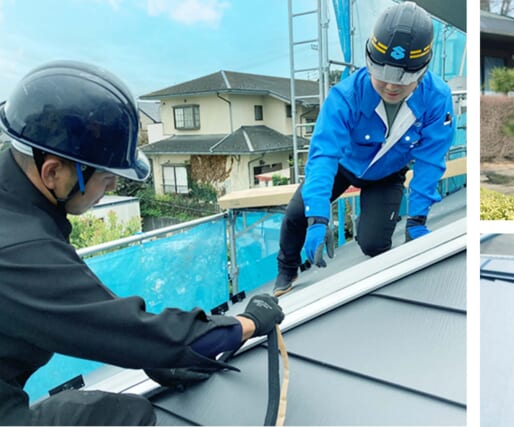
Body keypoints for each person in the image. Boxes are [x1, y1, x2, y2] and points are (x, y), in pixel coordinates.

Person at [0, 60, 284, 425]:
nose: (113, 188)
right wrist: (246, 323)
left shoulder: (17, 208)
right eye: (105, 177)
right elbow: (117, 326)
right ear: (52, 171)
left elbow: (74, 294)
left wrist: (154, 356)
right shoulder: (18, 249)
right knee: (127, 418)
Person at [275, 2, 457, 293]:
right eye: (382, 76)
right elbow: (323, 156)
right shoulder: (345, 96)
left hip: (387, 173)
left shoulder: (437, 99)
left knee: (374, 244)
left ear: (422, 71)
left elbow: (430, 159)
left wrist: (418, 218)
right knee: (297, 214)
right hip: (343, 166)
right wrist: (318, 216)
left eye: (404, 79)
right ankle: (286, 270)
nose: (391, 87)